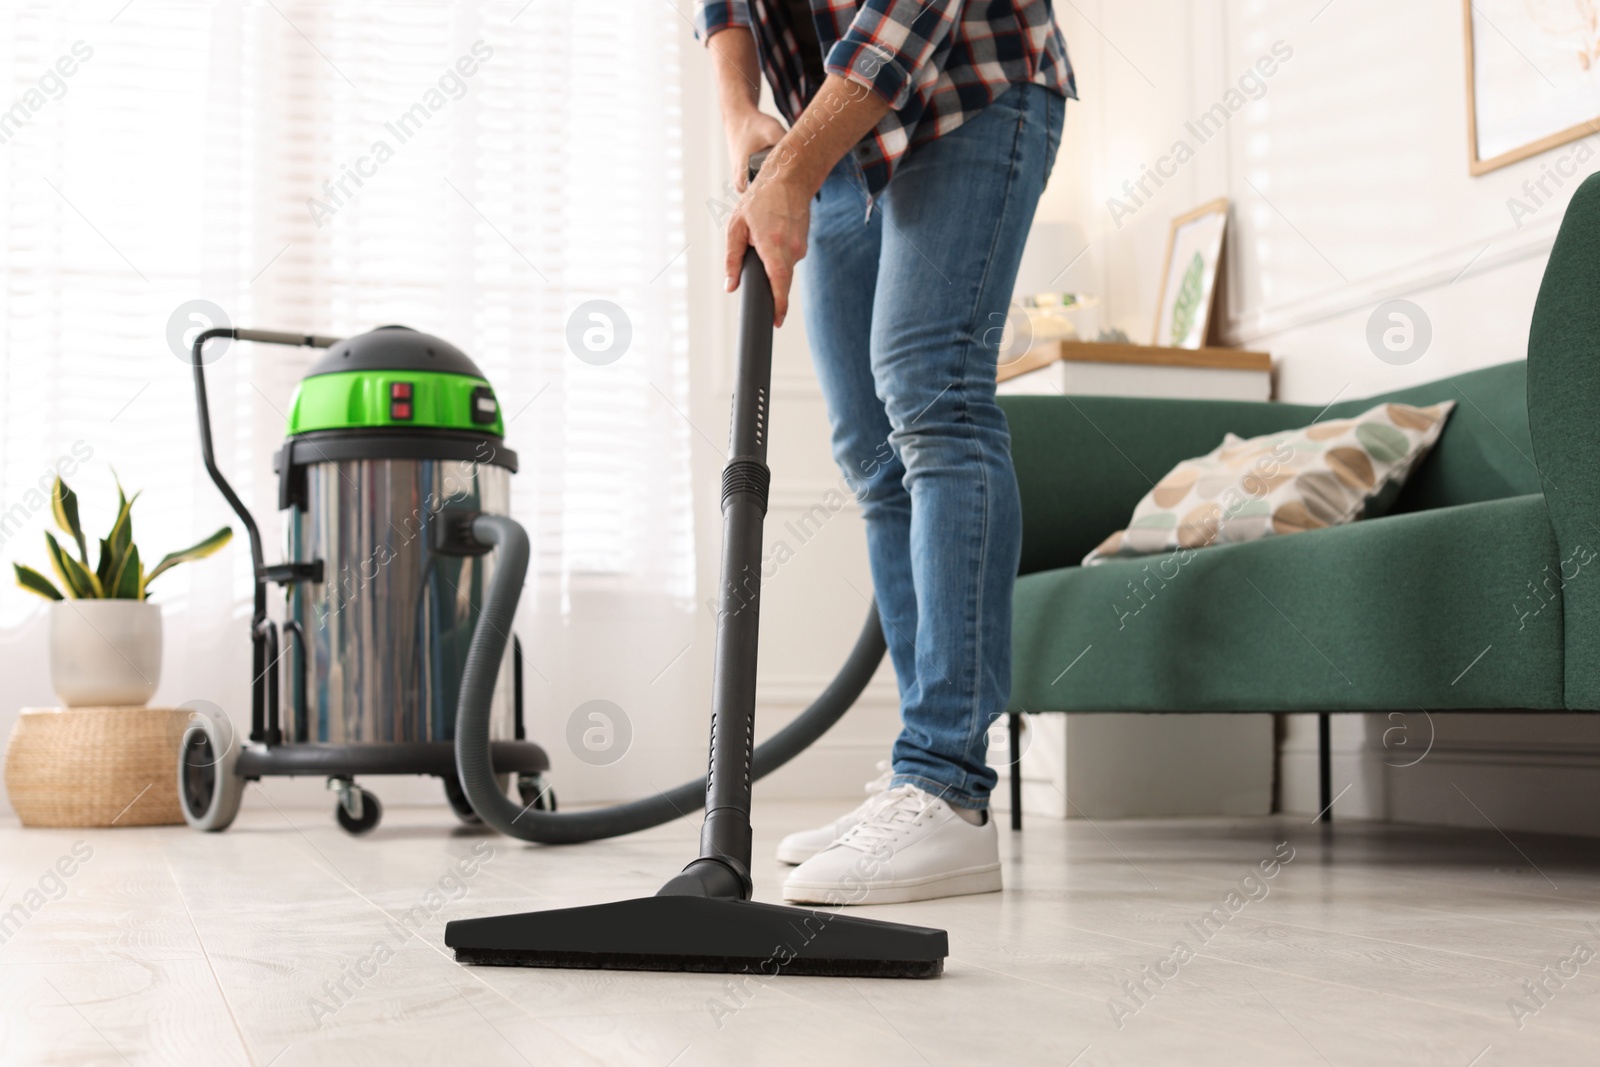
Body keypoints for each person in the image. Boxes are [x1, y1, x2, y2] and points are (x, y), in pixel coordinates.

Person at [697, 0, 1073, 904]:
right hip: (838, 132)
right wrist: (744, 112)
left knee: (932, 395)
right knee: (870, 449)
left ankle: (946, 785)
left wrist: (792, 158)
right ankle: (915, 780)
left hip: (967, 85)